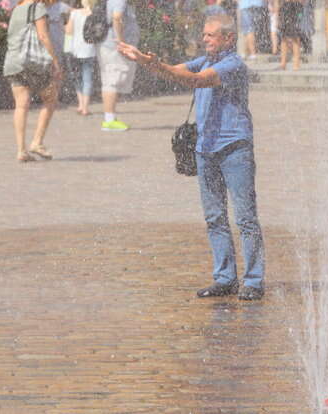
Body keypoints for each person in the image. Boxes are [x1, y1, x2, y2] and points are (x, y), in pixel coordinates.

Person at [117, 15, 266, 301]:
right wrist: (142, 60)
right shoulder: (205, 60)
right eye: (204, 34)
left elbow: (197, 81)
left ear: (228, 38)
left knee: (245, 218)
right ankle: (224, 278)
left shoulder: (232, 64)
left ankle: (254, 280)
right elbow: (174, 71)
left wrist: (155, 64)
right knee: (214, 217)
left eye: (211, 35)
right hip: (205, 149)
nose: (205, 39)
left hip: (235, 148)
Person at [3, 0, 63, 162]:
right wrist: (55, 61)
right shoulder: (38, 8)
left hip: (13, 61)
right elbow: (43, 36)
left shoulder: (16, 9)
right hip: (32, 63)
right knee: (50, 99)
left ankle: (21, 150)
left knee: (21, 105)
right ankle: (37, 142)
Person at [97, 0, 139, 131]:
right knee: (112, 80)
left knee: (113, 78)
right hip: (113, 47)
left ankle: (111, 117)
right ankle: (109, 120)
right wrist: (121, 43)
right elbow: (116, 17)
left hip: (111, 45)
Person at [65, 0, 96, 115]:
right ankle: (86, 108)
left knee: (77, 78)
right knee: (87, 79)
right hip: (89, 50)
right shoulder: (94, 14)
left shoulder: (75, 13)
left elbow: (68, 31)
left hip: (75, 51)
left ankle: (80, 104)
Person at [277, 0, 304, 70]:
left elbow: (301, 9)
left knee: (295, 38)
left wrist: (300, 17)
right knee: (283, 39)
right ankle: (283, 63)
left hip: (295, 6)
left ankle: (296, 63)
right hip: (285, 7)